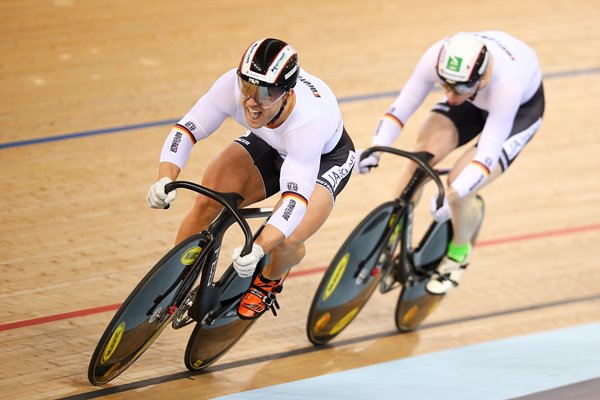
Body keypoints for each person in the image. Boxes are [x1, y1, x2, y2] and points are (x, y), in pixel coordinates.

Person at [146, 38, 356, 319]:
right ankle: (174, 281)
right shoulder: (230, 87)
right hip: (269, 143)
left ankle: (268, 281)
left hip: (322, 161)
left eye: (266, 94)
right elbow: (186, 130)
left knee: (287, 239)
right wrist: (164, 177)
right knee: (208, 201)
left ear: (288, 94)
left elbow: (294, 200)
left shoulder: (310, 124)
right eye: (247, 87)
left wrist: (259, 249)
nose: (252, 103)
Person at [357, 31, 544, 294]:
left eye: (458, 87)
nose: (450, 94)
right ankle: (391, 236)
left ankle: (457, 255)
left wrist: (453, 193)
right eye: (444, 85)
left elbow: (486, 156)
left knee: (459, 183)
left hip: (517, 114)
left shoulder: (507, 85)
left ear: (483, 75)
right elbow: (402, 108)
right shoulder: (437, 58)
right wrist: (375, 148)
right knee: (419, 160)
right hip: (476, 97)